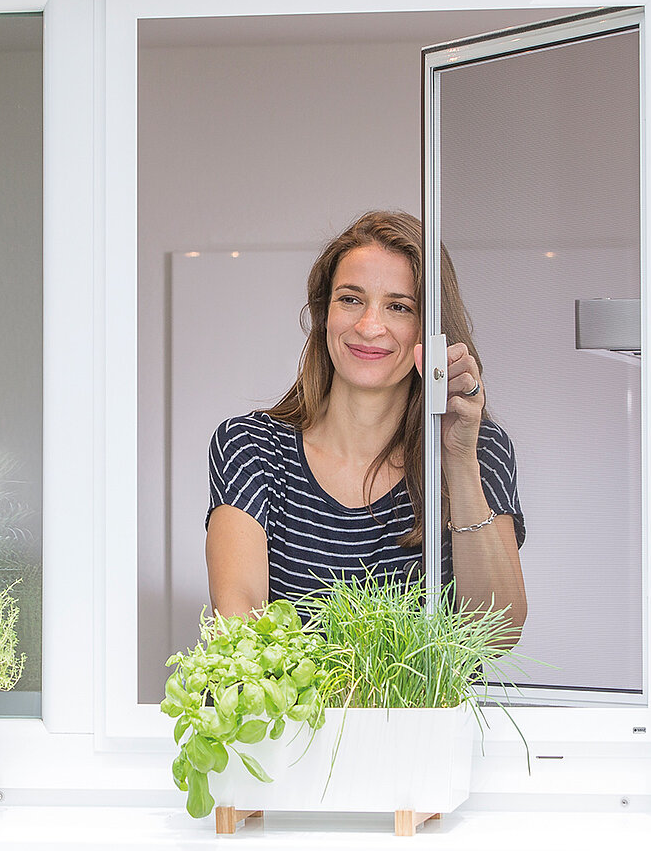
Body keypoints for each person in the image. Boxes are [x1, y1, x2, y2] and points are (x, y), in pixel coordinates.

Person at [204, 209, 527, 641]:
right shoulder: (251, 447)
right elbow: (239, 622)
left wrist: (459, 459)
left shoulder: (478, 448)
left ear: (430, 332)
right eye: (351, 299)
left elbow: (498, 633)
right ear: (324, 313)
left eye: (399, 307)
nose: (369, 326)